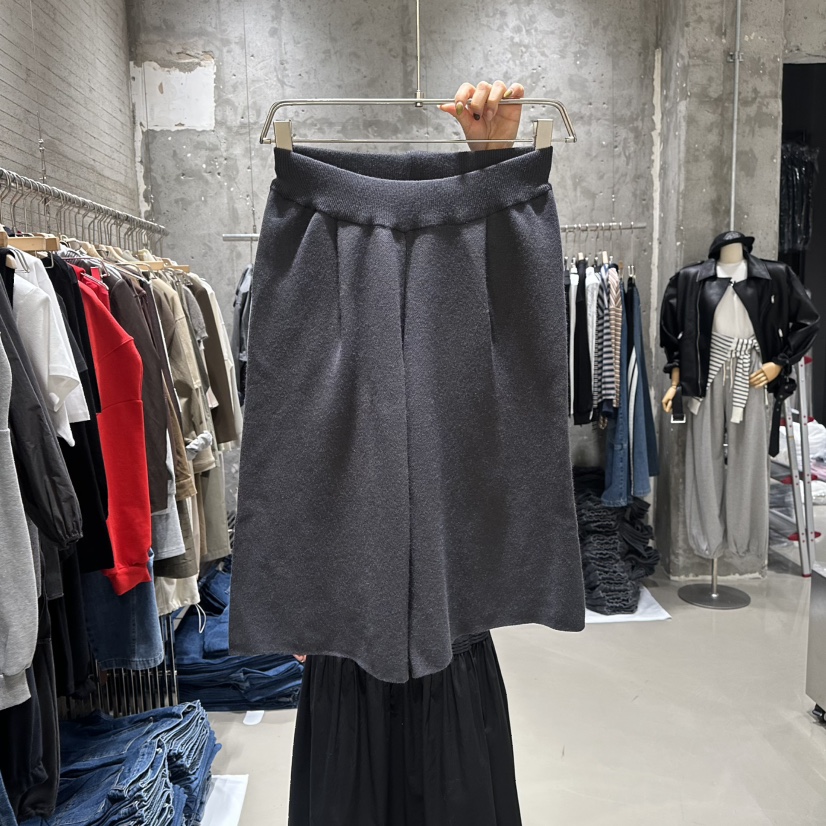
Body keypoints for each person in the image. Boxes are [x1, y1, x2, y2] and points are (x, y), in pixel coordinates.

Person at [284, 81, 537, 826]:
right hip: (348, 632)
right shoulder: (307, 255)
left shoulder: (469, 266)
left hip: (446, 626)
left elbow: (519, 350)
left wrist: (493, 169)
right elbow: (293, 433)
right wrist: (300, 580)